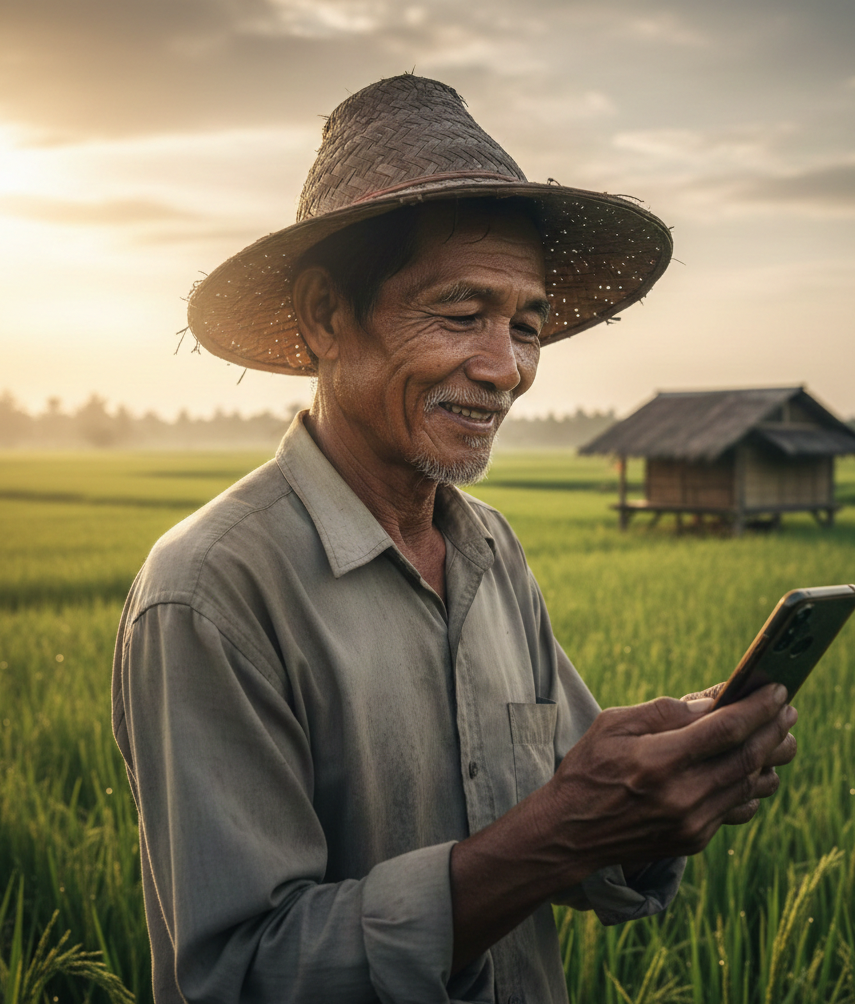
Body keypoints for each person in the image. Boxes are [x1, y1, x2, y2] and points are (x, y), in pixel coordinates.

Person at [112, 74, 797, 1004]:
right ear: (326, 315)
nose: (504, 369)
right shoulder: (212, 592)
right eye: (462, 314)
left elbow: (572, 818)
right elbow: (239, 976)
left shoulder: (489, 553)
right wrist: (561, 829)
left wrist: (656, 796)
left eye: (527, 324)